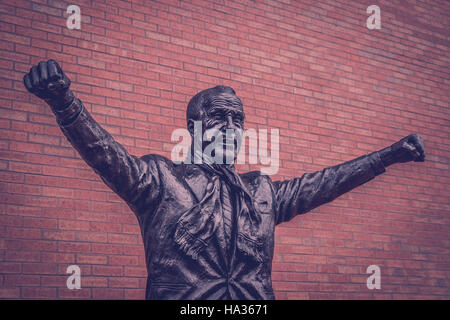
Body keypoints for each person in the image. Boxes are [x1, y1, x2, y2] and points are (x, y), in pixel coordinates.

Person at [23, 60, 425, 299]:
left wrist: (387, 156)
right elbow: (105, 153)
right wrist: (64, 103)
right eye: (220, 117)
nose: (232, 128)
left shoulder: (261, 191)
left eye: (239, 120)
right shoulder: (160, 179)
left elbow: (325, 183)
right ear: (193, 127)